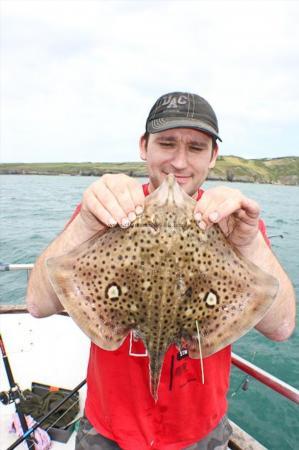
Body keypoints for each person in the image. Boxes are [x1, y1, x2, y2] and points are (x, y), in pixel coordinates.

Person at [26, 92, 296, 450]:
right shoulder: (105, 211)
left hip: (199, 432)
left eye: (196, 148)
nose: (179, 162)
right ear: (144, 146)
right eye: (167, 143)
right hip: (107, 430)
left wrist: (248, 242)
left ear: (214, 156)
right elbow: (37, 305)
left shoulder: (234, 223)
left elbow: (281, 328)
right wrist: (86, 223)